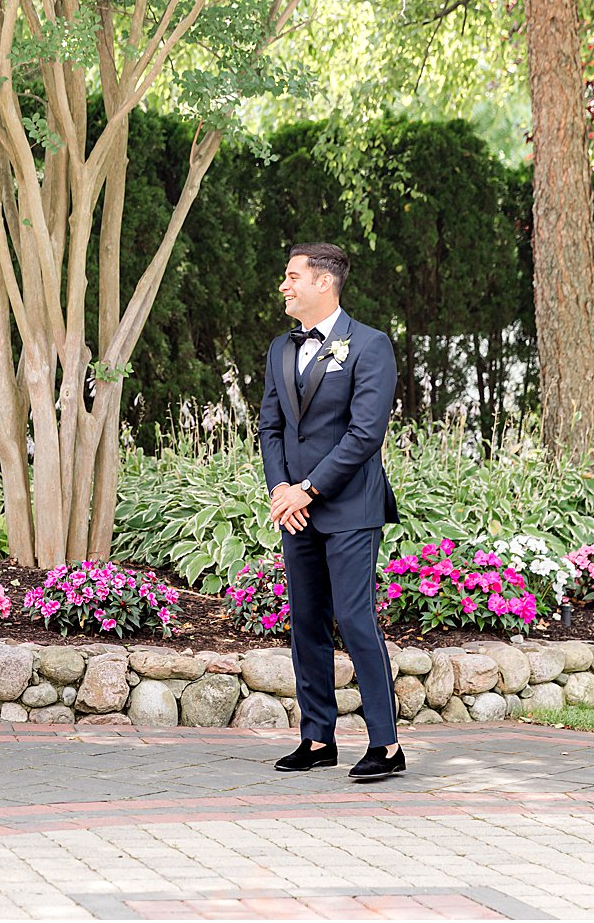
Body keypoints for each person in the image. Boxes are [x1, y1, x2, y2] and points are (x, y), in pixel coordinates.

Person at [257, 242, 404, 782]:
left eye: (292, 276)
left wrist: (308, 489)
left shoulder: (370, 345)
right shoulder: (279, 348)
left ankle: (386, 745)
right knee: (307, 622)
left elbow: (365, 434)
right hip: (294, 509)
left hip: (348, 507)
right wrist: (281, 491)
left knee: (355, 619)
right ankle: (317, 738)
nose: (283, 285)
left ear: (324, 283)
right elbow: (271, 427)